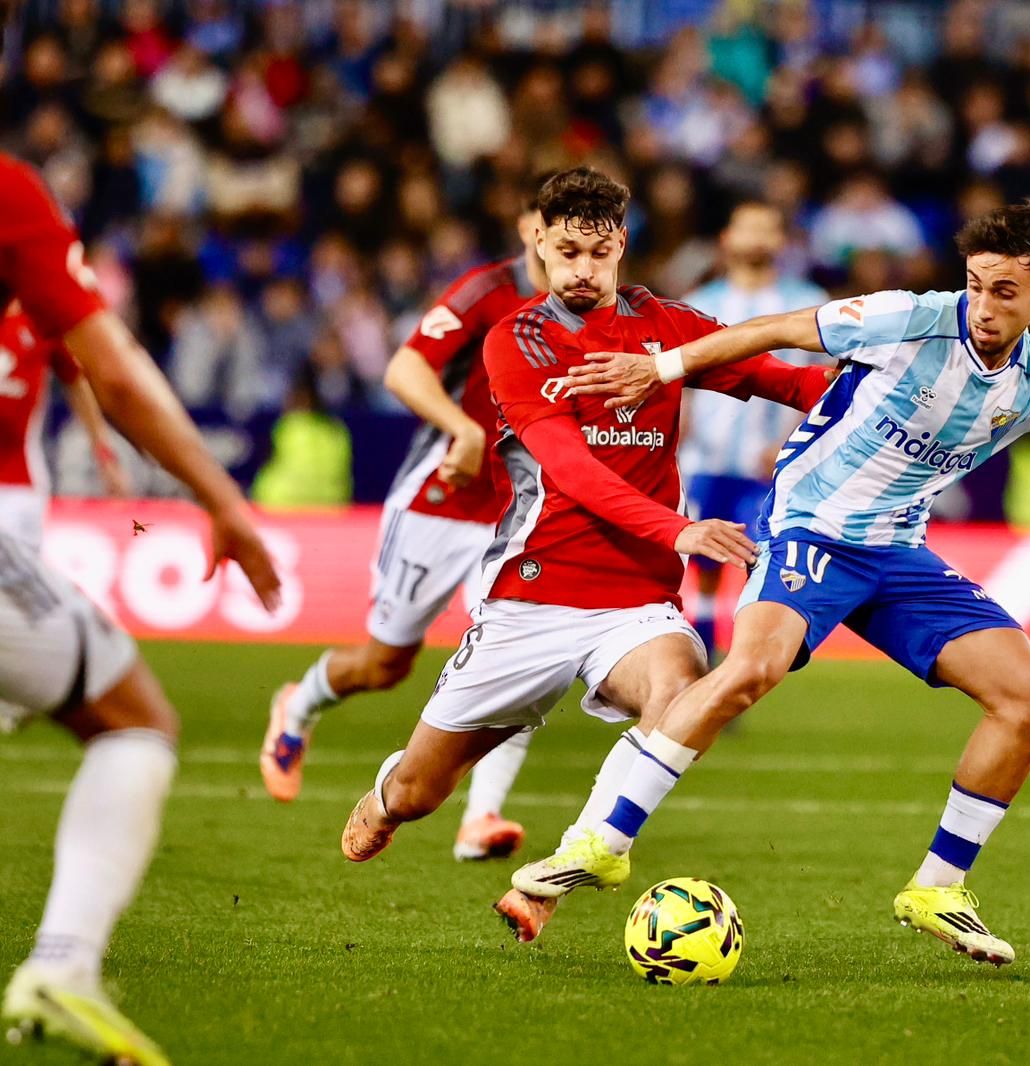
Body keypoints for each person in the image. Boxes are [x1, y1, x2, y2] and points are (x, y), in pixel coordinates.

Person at [512, 201, 1030, 967]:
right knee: (750, 669)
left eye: (1004, 292)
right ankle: (603, 843)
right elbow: (778, 328)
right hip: (812, 524)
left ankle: (938, 889)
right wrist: (665, 366)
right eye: (977, 285)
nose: (983, 306)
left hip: (897, 551)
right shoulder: (908, 318)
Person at [336, 167, 835, 943]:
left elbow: (781, 378)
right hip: (532, 597)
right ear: (538, 241)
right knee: (419, 790)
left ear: (622, 245)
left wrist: (881, 394)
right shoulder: (517, 339)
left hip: (636, 604)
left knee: (682, 692)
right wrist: (677, 529)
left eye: (598, 253)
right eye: (566, 251)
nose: (581, 270)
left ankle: (572, 861)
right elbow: (572, 469)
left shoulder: (668, 325)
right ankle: (389, 794)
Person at [0, 151, 280, 1065]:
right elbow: (108, 365)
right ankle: (65, 964)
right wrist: (222, 500)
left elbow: (74, 368)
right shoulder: (9, 190)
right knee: (133, 721)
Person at [259, 195, 547, 861]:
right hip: (438, 502)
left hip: (516, 511)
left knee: (523, 652)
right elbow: (403, 368)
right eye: (549, 226)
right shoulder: (486, 291)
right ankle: (296, 706)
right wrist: (462, 429)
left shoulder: (594, 309)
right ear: (527, 226)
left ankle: (482, 818)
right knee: (384, 664)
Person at [678, 201, 829, 657]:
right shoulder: (700, 305)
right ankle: (703, 661)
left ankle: (743, 666)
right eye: (748, 228)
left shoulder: (809, 303)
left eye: (768, 229)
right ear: (726, 239)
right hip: (704, 460)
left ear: (782, 241)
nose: (758, 238)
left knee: (759, 563)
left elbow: (829, 383)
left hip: (773, 465)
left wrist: (794, 441)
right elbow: (680, 384)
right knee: (703, 564)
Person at [0, 301, 128, 549]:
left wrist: (103, 452)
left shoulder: (39, 321)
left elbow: (76, 383)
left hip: (20, 485)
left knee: (15, 578)